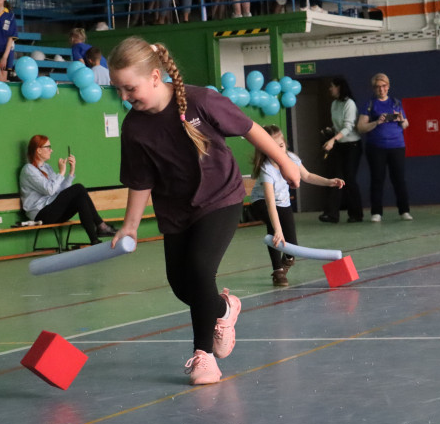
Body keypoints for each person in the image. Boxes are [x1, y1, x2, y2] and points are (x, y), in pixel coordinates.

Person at [107, 36, 300, 385]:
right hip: (175, 210)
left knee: (199, 270)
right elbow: (140, 180)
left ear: (154, 76)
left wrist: (284, 162)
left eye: (129, 88)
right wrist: (130, 226)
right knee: (182, 286)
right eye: (117, 90)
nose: (124, 97)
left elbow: (251, 130)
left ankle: (204, 358)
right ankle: (225, 309)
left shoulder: (200, 101)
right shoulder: (134, 127)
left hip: (219, 198)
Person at [251, 124, 343, 286]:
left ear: (285, 144)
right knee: (274, 232)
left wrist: (329, 182)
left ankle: (287, 261)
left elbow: (307, 176)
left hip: (283, 202)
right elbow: (270, 202)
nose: (278, 149)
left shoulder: (291, 158)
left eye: (281, 145)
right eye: (272, 146)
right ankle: (278, 271)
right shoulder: (267, 170)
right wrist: (278, 230)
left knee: (291, 245)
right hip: (262, 202)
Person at [19, 135, 117, 245]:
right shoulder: (28, 170)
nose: (51, 150)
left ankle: (94, 240)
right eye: (48, 147)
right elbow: (50, 190)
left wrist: (71, 171)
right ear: (39, 150)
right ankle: (101, 226)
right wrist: (61, 172)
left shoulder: (47, 168)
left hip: (53, 211)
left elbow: (60, 191)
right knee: (79, 188)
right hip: (40, 214)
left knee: (80, 199)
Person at [358, 73, 411, 221]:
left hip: (397, 146)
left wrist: (401, 120)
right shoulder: (369, 104)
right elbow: (361, 127)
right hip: (376, 147)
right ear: (374, 89)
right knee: (377, 179)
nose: (381, 89)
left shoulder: (396, 103)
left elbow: (406, 124)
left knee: (399, 179)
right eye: (378, 87)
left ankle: (404, 211)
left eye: (384, 86)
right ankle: (376, 213)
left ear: (388, 86)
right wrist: (377, 122)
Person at [319, 75, 363, 223]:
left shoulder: (349, 104)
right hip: (339, 144)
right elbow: (338, 126)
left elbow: (349, 127)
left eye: (332, 86)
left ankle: (356, 214)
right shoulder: (334, 104)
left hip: (352, 146)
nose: (330, 89)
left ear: (339, 87)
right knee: (335, 178)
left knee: (349, 178)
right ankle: (331, 214)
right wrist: (330, 131)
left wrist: (332, 139)